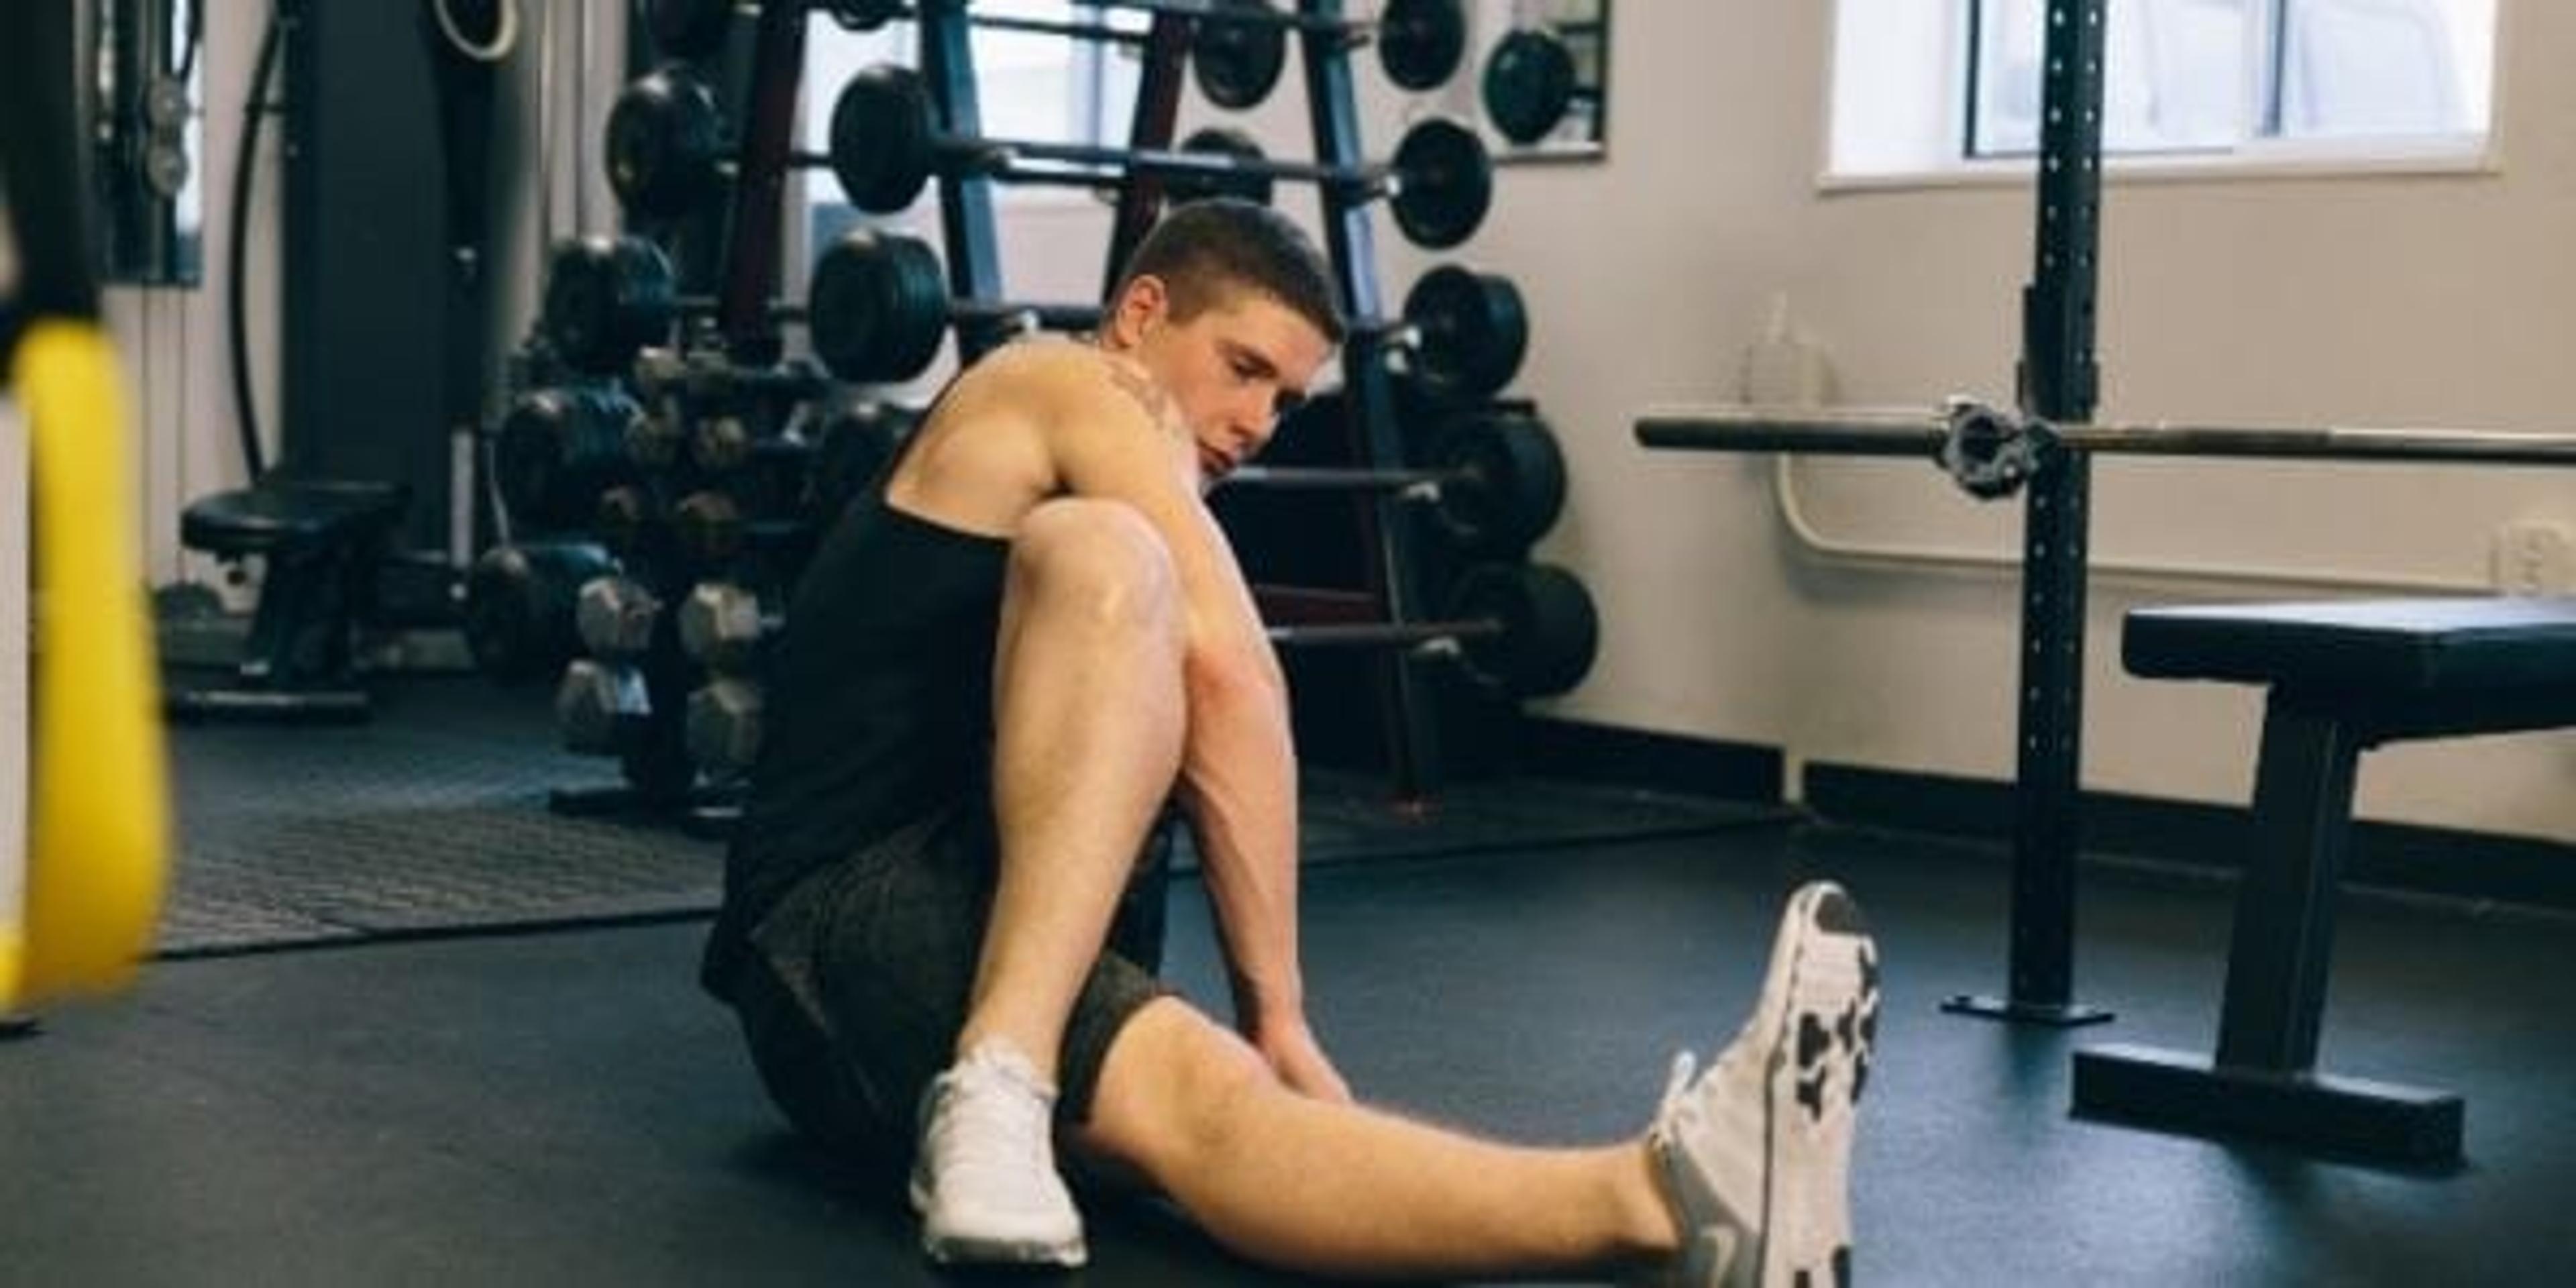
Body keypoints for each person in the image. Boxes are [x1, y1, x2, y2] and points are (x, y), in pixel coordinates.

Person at [699, 199, 1880, 1287]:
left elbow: (1217, 681)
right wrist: (1279, 1019)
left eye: (1286, 401)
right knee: (1108, 553)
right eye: (1245, 369)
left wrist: (1273, 1035)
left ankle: (1688, 1205)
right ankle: (1001, 1078)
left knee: (1218, 1118)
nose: (1258, 423)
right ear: (1142, 312)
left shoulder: (1141, 484)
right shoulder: (1052, 379)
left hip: (1006, 925)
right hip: (833, 929)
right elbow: (1233, 671)